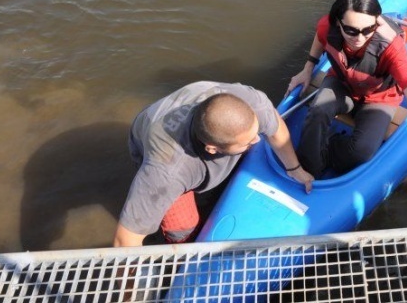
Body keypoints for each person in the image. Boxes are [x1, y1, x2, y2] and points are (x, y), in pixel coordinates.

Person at [286, 0, 407, 182]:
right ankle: (310, 167)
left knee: (362, 152)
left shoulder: (391, 46)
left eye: (368, 30)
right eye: (351, 30)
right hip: (342, 83)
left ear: (376, 22)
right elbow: (320, 38)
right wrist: (308, 68)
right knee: (318, 111)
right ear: (338, 22)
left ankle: (327, 147)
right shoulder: (328, 26)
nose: (359, 38)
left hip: (379, 97)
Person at [113, 81, 313, 247]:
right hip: (155, 138)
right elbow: (126, 239)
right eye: (249, 141)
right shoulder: (166, 171)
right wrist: (130, 289)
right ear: (212, 149)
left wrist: (294, 169)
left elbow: (275, 127)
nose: (258, 141)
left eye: (255, 133)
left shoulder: (250, 103)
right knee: (183, 226)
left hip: (197, 115)